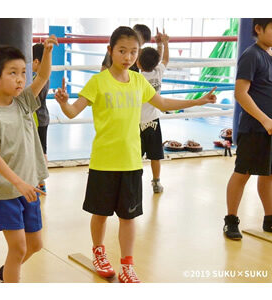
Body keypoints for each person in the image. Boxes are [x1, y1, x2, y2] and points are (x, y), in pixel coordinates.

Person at [54, 26, 216, 283]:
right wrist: (63, 102)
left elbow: (162, 104)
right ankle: (98, 251)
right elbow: (73, 112)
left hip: (131, 161)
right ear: (110, 51)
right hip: (104, 161)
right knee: (101, 213)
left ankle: (128, 264)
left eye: (133, 52)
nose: (127, 57)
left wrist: (197, 101)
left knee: (129, 217)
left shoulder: (139, 81)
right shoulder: (98, 82)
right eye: (122, 51)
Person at [0, 36, 58, 283]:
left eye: (23, 72)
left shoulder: (23, 102)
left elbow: (42, 77)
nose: (21, 78)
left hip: (29, 188)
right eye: (13, 73)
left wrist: (47, 51)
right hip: (7, 193)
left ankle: (4, 273)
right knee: (19, 248)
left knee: (35, 245)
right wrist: (19, 183)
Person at [223, 18, 272, 240]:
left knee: (269, 175)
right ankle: (231, 221)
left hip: (270, 129)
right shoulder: (251, 55)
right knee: (242, 174)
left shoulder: (270, 55)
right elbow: (240, 93)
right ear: (258, 29)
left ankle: (270, 219)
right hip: (254, 128)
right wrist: (264, 120)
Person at [137, 28, 169, 193]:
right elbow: (164, 59)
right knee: (155, 156)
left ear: (138, 63)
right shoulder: (158, 72)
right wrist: (163, 43)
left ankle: (134, 182)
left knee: (136, 156)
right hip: (154, 121)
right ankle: (156, 182)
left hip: (138, 122)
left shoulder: (137, 78)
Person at [32, 43, 50, 193]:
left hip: (38, 119)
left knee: (40, 151)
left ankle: (41, 181)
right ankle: (40, 181)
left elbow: (32, 97)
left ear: (37, 62)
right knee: (40, 150)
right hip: (42, 118)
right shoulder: (40, 76)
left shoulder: (40, 79)